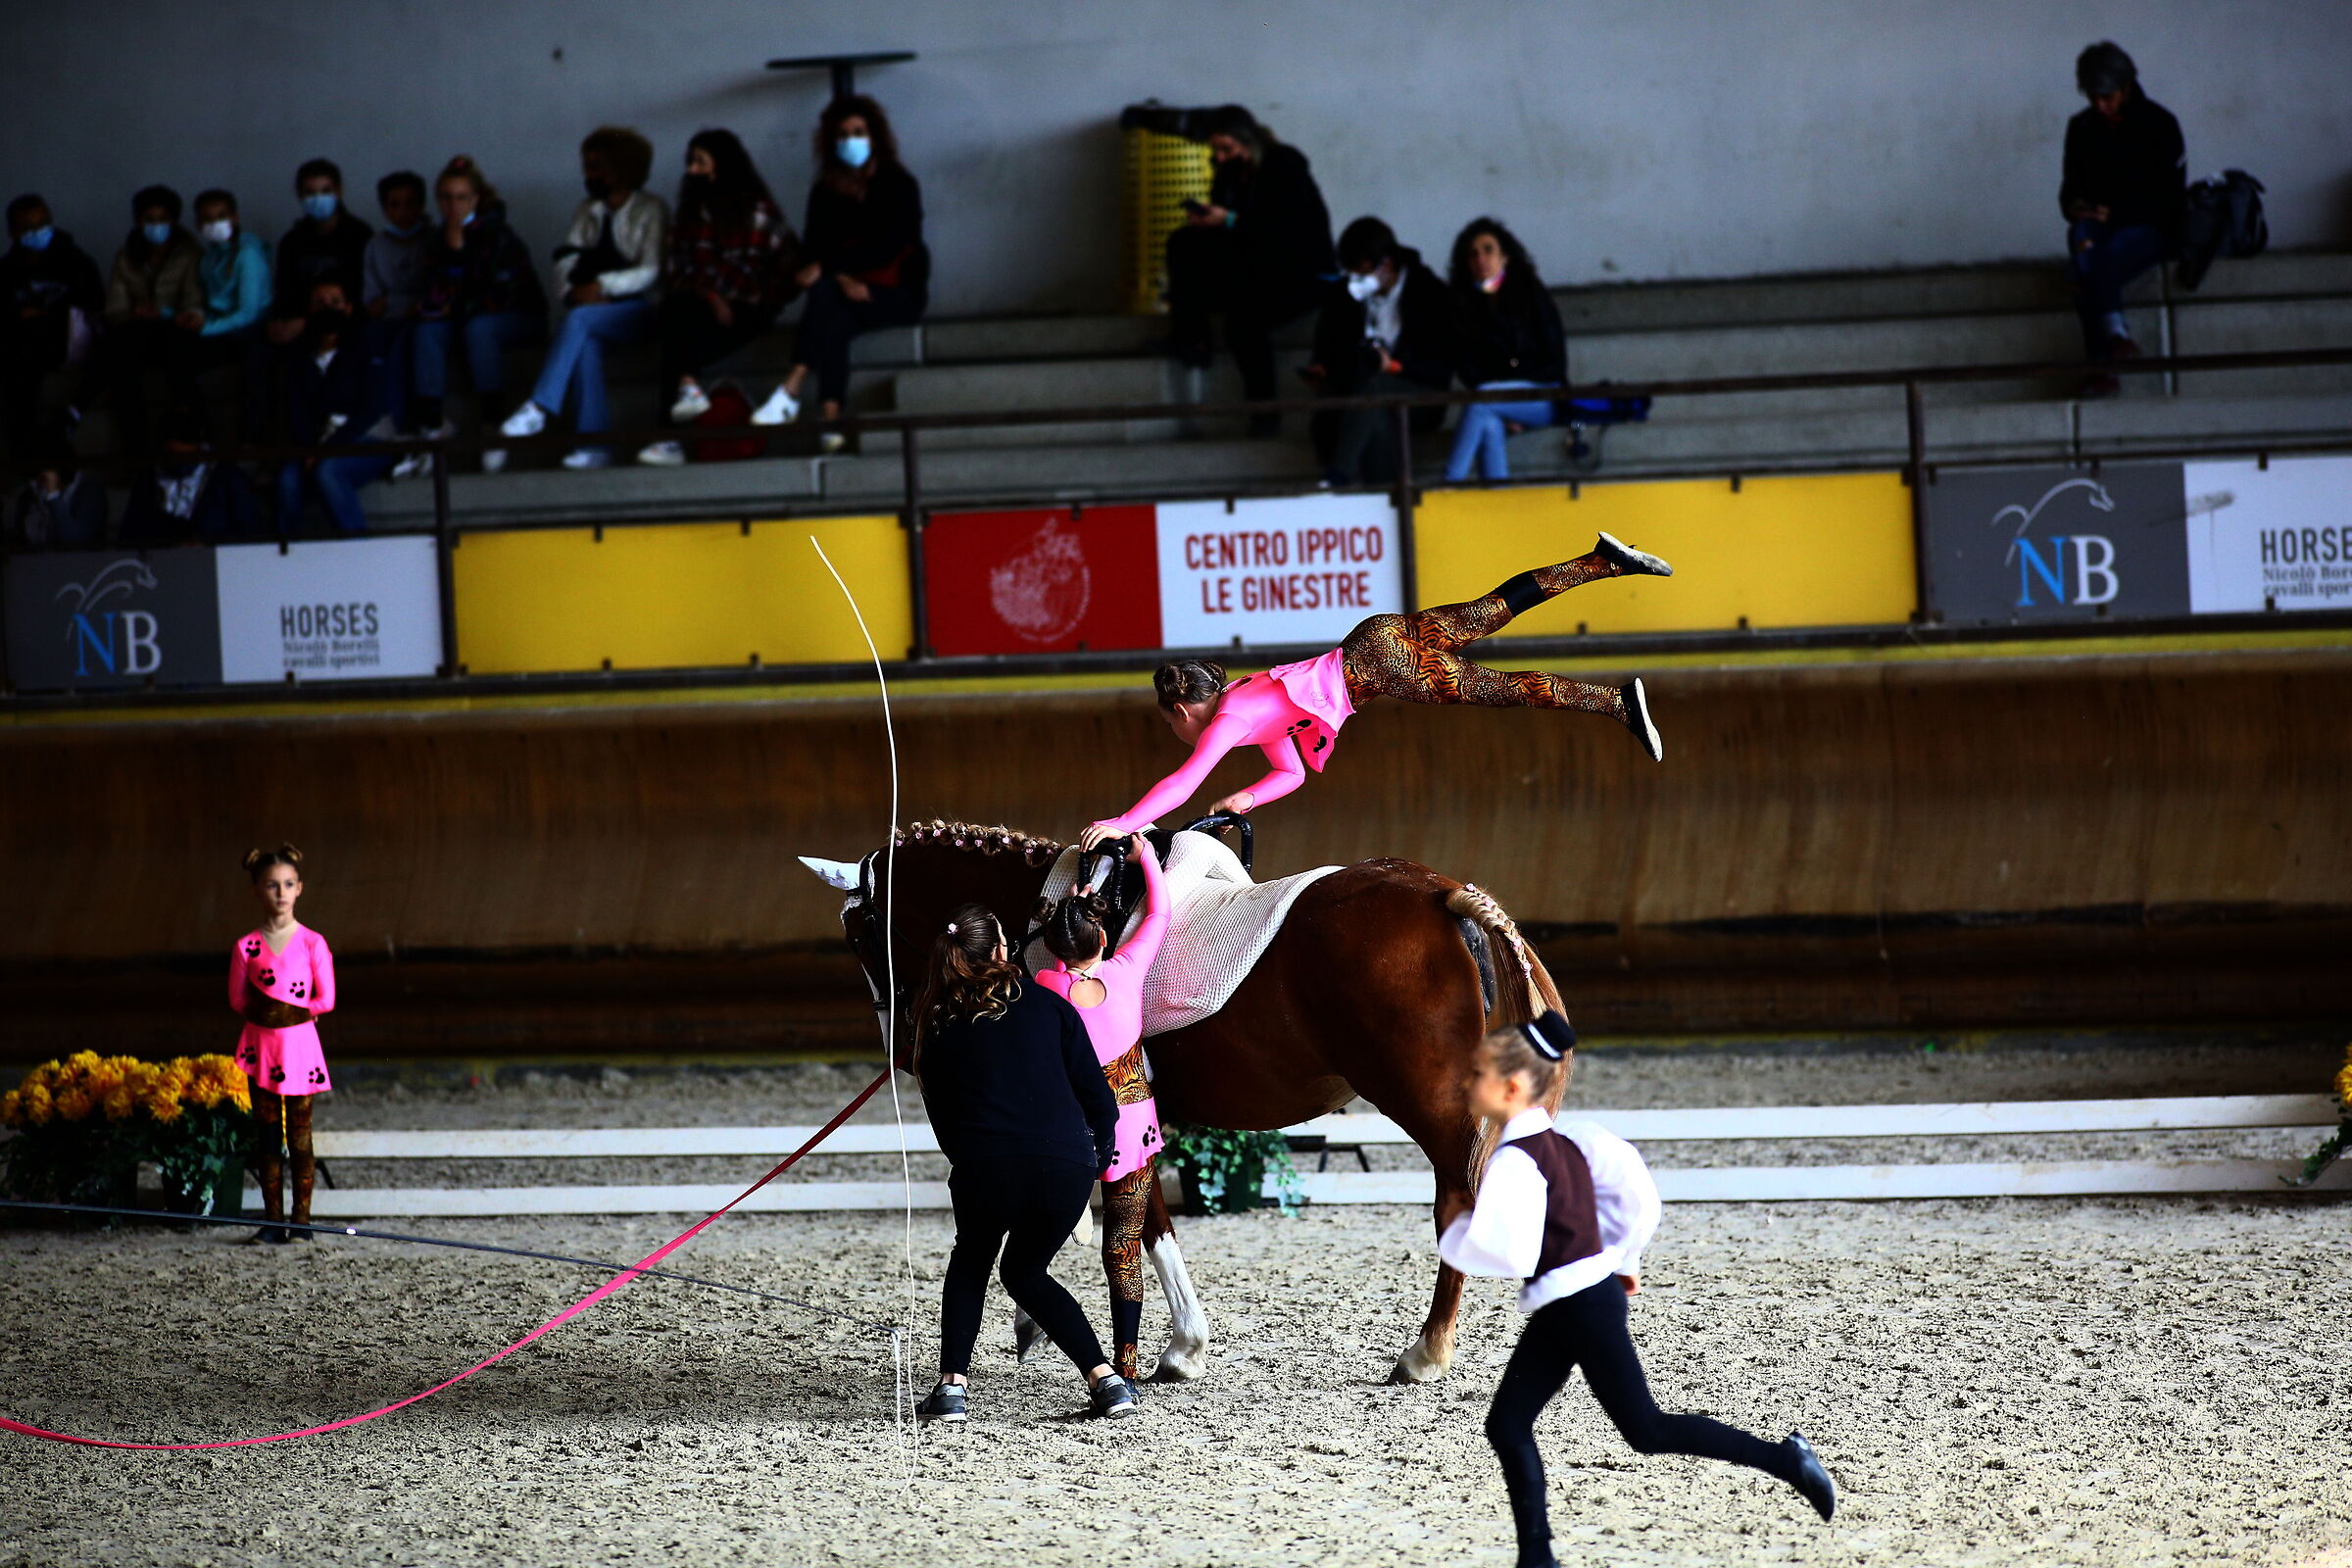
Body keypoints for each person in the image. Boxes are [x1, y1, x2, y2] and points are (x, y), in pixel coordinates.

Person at [1444, 1012, 1836, 1568]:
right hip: (1573, 1302)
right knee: (1507, 1423)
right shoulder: (1569, 1142)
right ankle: (1537, 1557)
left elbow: (1511, 1252)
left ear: (1509, 1087)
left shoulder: (1514, 1159)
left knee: (1646, 1428)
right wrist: (1618, 1258)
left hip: (1578, 1306)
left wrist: (1457, 1228)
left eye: (1477, 1073)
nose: (1467, 1083)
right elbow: (1633, 1196)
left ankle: (1788, 1460)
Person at [1078, 535, 1673, 849]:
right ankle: (1602, 561)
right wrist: (1246, 800)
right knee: (1493, 608)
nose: (1182, 734)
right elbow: (1292, 773)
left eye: (1172, 725)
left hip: (1374, 667)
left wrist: (1125, 822)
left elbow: (1186, 780)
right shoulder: (1249, 704)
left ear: (1182, 710)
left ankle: (1616, 703)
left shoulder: (1228, 719)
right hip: (1372, 639)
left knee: (1499, 689)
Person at [909, 903, 1140, 1424]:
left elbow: (944, 1120)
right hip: (1065, 1169)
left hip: (985, 1167)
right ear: (999, 953)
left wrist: (971, 1166)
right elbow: (1100, 1101)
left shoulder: (935, 1024)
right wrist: (1092, 1158)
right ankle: (1106, 1381)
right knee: (1025, 1271)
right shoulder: (1051, 1006)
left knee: (971, 1262)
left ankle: (951, 1390)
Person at [1032, 835, 1171, 1382]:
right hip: (1132, 1132)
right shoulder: (1127, 969)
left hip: (1071, 1133)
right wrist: (1148, 861)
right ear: (1105, 935)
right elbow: (1159, 910)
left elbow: (1050, 958)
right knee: (1124, 1251)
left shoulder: (1045, 985)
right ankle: (1127, 1360)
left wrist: (1067, 911)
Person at [750, 95, 927, 452]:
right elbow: (815, 247)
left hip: (896, 291)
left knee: (825, 295)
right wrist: (841, 277)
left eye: (858, 132)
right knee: (832, 314)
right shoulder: (825, 190)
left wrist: (834, 271)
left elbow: (891, 245)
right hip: (844, 293)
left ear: (874, 136)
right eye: (843, 134)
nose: (851, 140)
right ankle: (829, 418)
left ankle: (792, 388)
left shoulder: (899, 184)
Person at [500, 127, 667, 469]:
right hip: (595, 312)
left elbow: (652, 270)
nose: (588, 175)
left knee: (578, 322)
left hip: (643, 309)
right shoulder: (587, 210)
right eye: (587, 166)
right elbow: (566, 259)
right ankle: (594, 445)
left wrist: (602, 288)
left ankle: (540, 407)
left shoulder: (652, 209)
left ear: (621, 167)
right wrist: (573, 293)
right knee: (584, 338)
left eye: (597, 166)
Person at [1163, 105, 1335, 438]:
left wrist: (1228, 220)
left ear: (1248, 141)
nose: (1221, 156)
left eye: (1227, 148)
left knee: (1245, 320)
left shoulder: (1283, 164)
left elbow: (1282, 230)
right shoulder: (1229, 171)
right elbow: (1235, 224)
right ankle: (1192, 337)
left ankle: (1264, 413)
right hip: (1254, 263)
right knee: (1183, 242)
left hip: (1298, 271)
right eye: (1216, 150)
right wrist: (1209, 220)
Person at [639, 128, 801, 467]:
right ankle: (686, 387)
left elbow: (787, 268)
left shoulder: (757, 211)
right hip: (700, 304)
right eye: (690, 162)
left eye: (700, 162)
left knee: (677, 340)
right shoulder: (689, 214)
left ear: (721, 165)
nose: (692, 170)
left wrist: (751, 300)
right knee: (674, 312)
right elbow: (677, 270)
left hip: (747, 308)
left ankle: (671, 431)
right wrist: (711, 296)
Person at [405, 157, 545, 476]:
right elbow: (433, 295)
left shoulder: (498, 235)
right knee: (426, 332)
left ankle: (491, 424)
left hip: (517, 318)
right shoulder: (436, 240)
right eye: (445, 197)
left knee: (478, 329)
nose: (453, 206)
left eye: (461, 197)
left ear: (476, 199)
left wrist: (459, 255)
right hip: (464, 318)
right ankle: (431, 427)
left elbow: (498, 297)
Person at [2061, 41, 2184, 396]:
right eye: (2093, 97)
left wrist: (2117, 212)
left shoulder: (2159, 124)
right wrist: (2077, 208)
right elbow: (2068, 190)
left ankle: (2105, 364)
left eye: (2108, 97)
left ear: (2126, 87)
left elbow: (2169, 199)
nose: (2100, 105)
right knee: (2084, 237)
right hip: (2097, 229)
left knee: (2081, 270)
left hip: (2149, 230)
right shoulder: (2083, 128)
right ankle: (2115, 336)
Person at [228, 845, 336, 1245]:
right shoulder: (247, 947)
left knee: (301, 1137)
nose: (281, 892)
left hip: (299, 1051)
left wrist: (293, 1011)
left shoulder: (312, 943)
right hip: (262, 1051)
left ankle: (302, 1221)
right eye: (272, 885)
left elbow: (326, 998)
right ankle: (273, 1220)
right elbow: (237, 999)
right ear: (258, 890)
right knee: (267, 1138)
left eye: (288, 884)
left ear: (299, 889)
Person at [1305, 216, 1452, 485]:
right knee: (1377, 415)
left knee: (1377, 390)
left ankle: (1339, 474)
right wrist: (1323, 369)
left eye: (1362, 272)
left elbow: (1440, 367)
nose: (1356, 280)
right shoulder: (1344, 295)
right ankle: (1385, 500)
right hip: (1359, 394)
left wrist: (1394, 367)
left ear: (1386, 265)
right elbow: (1327, 346)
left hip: (1419, 392)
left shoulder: (1429, 293)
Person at [1446, 218, 1569, 481]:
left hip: (1545, 394)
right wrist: (1504, 402)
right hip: (1498, 398)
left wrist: (1508, 391)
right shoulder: (1464, 305)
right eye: (1473, 254)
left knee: (1483, 401)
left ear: (1505, 256)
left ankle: (1449, 482)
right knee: (1489, 421)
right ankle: (1498, 496)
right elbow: (1468, 369)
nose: (1481, 259)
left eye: (1488, 250)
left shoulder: (1532, 294)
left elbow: (1556, 363)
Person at [275, 277, 393, 534]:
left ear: (349, 308)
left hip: (366, 438)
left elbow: (371, 409)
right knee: (287, 480)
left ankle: (355, 545)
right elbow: (295, 409)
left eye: (335, 302)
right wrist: (310, 449)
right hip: (316, 444)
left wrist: (326, 450)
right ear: (309, 311)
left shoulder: (366, 346)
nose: (327, 308)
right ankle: (287, 554)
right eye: (319, 303)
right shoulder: (298, 357)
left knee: (328, 471)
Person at [99, 185, 205, 458]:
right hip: (136, 332)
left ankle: (187, 439)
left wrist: (167, 313)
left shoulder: (189, 253)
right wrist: (135, 313)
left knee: (181, 353)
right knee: (118, 356)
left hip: (176, 331)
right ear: (138, 222)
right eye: (149, 219)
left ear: (174, 221)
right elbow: (114, 308)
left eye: (163, 219)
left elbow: (194, 299)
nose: (156, 226)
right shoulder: (126, 257)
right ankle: (136, 451)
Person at [2, 194, 104, 459]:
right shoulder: (7, 270)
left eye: (42, 224)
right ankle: (21, 446)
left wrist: (48, 313)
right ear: (13, 232)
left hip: (68, 340)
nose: (38, 232)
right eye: (28, 227)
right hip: (24, 347)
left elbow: (93, 304)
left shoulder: (76, 262)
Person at [187, 188, 274, 442]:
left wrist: (205, 328)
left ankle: (253, 443)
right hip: (221, 329)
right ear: (198, 224)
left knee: (254, 360)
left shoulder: (248, 255)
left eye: (221, 216)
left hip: (252, 329)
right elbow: (209, 304)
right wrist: (186, 316)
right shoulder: (207, 261)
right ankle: (197, 437)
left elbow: (247, 314)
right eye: (208, 219)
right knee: (179, 354)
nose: (215, 224)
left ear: (235, 218)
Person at [267, 159, 372, 350]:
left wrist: (311, 321)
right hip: (298, 323)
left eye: (325, 191)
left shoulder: (360, 235)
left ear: (338, 192)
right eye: (310, 193)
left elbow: (363, 295)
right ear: (299, 195)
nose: (318, 198)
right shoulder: (292, 242)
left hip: (347, 322)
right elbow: (284, 292)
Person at [362, 171, 433, 434]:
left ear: (422, 205)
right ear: (384, 209)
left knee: (407, 342)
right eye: (394, 204)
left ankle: (405, 424)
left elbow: (432, 297)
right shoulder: (375, 246)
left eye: (410, 202)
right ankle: (376, 416)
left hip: (424, 321)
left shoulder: (432, 241)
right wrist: (403, 304)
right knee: (370, 338)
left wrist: (392, 302)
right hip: (386, 323)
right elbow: (372, 304)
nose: (403, 211)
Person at [118, 410, 258, 542]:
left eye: (185, 456)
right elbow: (130, 533)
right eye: (172, 455)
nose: (179, 461)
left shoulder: (226, 476)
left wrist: (208, 542)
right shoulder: (148, 479)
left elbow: (248, 530)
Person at [5, 446, 107, 548]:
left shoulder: (90, 492)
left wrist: (53, 494)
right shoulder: (30, 494)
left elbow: (76, 541)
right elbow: (21, 541)